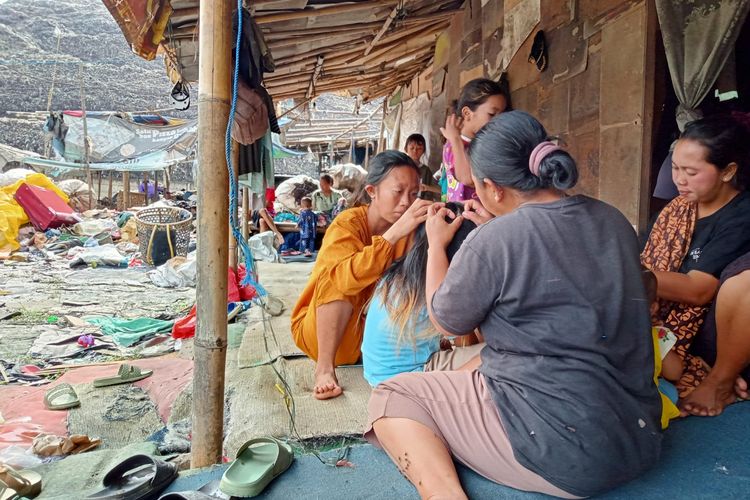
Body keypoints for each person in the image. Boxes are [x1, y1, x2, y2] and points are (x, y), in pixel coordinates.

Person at [366, 111, 662, 499]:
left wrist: (440, 245)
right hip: (638, 436)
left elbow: (447, 323)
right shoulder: (613, 220)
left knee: (391, 395)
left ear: (492, 188)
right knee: (478, 365)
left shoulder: (494, 240)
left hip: (565, 455)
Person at [291, 151, 432, 400]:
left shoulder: (413, 231)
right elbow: (341, 280)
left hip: (373, 340)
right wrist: (394, 234)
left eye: (413, 194)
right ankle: (324, 370)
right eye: (397, 192)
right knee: (337, 282)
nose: (406, 203)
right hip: (327, 335)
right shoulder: (348, 223)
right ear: (372, 191)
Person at [641, 115, 750, 403]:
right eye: (675, 168)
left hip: (711, 328)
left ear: (727, 172)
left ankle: (720, 379)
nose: (678, 179)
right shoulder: (676, 211)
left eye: (690, 171)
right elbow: (643, 258)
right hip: (662, 318)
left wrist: (625, 274)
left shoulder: (741, 216)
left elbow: (697, 290)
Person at [362, 202, 481, 387]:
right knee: (505, 354)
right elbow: (464, 337)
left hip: (378, 376)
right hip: (410, 381)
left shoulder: (401, 274)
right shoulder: (437, 281)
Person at [440, 78, 509, 202]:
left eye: (502, 115)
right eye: (492, 114)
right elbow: (467, 179)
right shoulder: (453, 144)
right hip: (467, 216)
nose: (498, 122)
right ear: (467, 113)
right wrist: (456, 140)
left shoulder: (481, 142)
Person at [642, 268, 682, 429]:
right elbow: (675, 372)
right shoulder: (655, 336)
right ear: (652, 308)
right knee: (670, 391)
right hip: (646, 405)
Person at [404, 133, 440, 201]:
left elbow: (429, 193)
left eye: (419, 148)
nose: (415, 151)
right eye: (412, 148)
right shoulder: (400, 168)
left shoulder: (426, 171)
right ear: (406, 149)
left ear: (423, 151)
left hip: (419, 205)